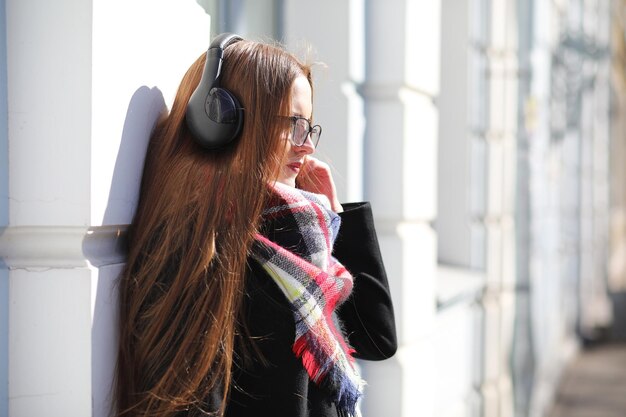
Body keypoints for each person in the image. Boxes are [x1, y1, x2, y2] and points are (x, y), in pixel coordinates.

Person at [115, 33, 397, 417]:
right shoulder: (200, 251)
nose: (307, 145)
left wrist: (337, 215)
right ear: (223, 123)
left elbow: (376, 338)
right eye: (293, 124)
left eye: (309, 126)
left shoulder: (295, 238)